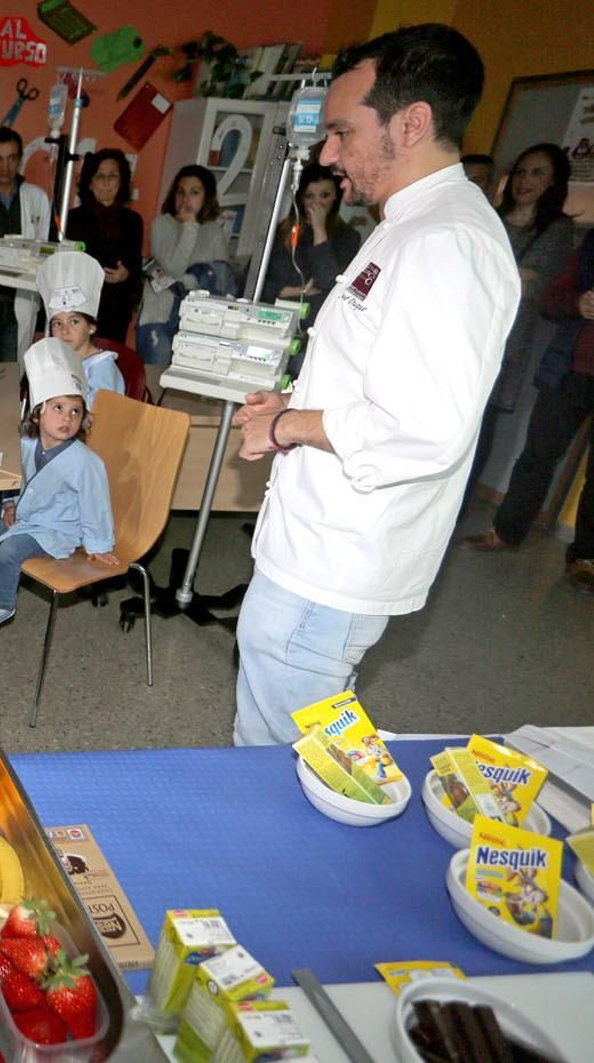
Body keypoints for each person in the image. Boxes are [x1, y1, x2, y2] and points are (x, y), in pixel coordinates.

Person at [229, 24, 520, 745]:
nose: (328, 154)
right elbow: (377, 378)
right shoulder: (404, 225)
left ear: (412, 122)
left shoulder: (448, 242)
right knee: (292, 746)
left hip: (337, 562)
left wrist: (288, 426)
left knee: (273, 758)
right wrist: (296, 404)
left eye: (341, 131)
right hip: (315, 546)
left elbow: (421, 425)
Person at [0, 339, 116, 634]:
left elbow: (96, 503)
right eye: (58, 408)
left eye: (76, 411)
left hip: (54, 530)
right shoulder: (25, 444)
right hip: (22, 517)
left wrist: (99, 545)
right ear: (37, 413)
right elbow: (15, 480)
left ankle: (1, 604)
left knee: (8, 551)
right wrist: (8, 503)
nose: (67, 417)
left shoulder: (85, 461)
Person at [459, 229, 594, 595]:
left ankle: (586, 558)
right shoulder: (591, 244)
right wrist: (577, 302)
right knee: (537, 455)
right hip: (568, 370)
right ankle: (506, 531)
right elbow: (551, 299)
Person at [465, 144, 575, 500]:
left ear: (554, 182)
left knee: (478, 428)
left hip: (504, 342)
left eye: (538, 173)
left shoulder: (556, 229)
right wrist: (511, 273)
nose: (526, 180)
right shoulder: (490, 216)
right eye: (523, 171)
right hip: (463, 328)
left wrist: (496, 271)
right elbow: (468, 267)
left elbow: (536, 286)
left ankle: (458, 508)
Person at [0, 127, 52, 361]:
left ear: (20, 159)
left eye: (11, 159)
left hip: (23, 296)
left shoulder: (37, 198)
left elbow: (44, 250)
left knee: (13, 369)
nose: (5, 166)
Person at [137, 165, 231, 364]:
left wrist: (192, 279)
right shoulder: (162, 225)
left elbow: (219, 276)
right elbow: (173, 269)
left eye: (194, 192)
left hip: (197, 320)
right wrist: (189, 227)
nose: (186, 198)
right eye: (181, 192)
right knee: (154, 379)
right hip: (159, 317)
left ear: (207, 197)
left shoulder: (214, 230)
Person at [258, 162, 363, 340]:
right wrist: (297, 291)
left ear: (335, 197)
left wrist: (319, 230)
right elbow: (256, 281)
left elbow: (329, 281)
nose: (317, 203)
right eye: (309, 196)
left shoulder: (347, 237)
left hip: (312, 327)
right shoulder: (281, 232)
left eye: (324, 195)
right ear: (301, 198)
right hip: (272, 319)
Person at [64, 149, 144, 343]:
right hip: (79, 307)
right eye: (100, 176)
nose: (107, 182)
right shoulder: (73, 219)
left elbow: (136, 269)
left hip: (116, 308)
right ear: (90, 183)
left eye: (113, 176)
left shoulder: (133, 221)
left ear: (122, 181)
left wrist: (126, 274)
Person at [38, 252, 124, 407]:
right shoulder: (59, 362)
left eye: (74, 322)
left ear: (91, 327)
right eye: (57, 323)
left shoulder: (100, 370)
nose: (64, 331)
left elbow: (99, 421)